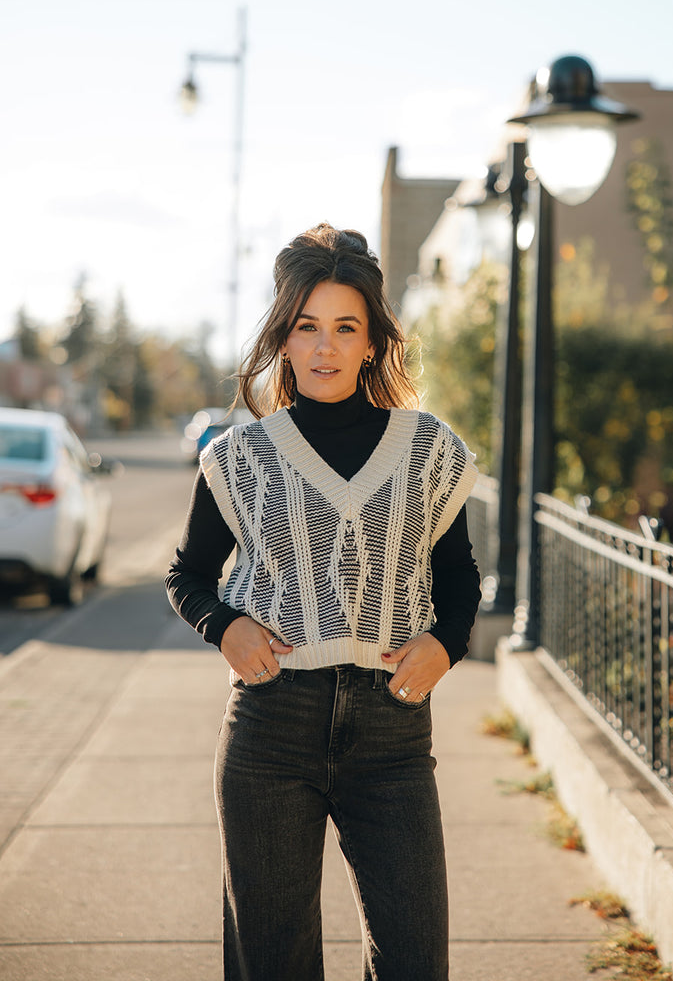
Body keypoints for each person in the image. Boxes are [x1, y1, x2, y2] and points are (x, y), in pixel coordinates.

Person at [165, 223, 481, 981]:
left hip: (392, 733)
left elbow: (461, 576)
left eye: (346, 328)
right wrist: (226, 626)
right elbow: (189, 573)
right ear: (284, 339)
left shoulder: (429, 450)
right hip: (271, 727)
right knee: (272, 962)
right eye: (306, 327)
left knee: (415, 960)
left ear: (372, 342)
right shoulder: (238, 458)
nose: (324, 347)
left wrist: (446, 645)